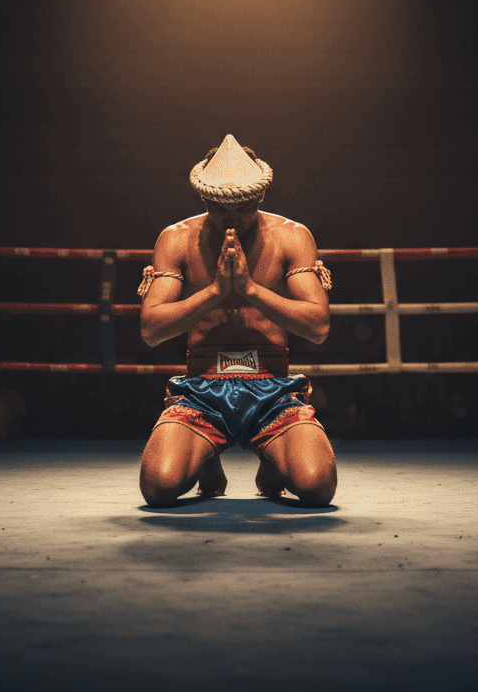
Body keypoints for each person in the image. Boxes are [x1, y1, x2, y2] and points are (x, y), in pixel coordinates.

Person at [138, 134, 336, 507]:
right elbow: (150, 329)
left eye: (243, 208)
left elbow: (318, 326)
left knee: (317, 487)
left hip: (272, 388)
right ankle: (208, 456)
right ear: (204, 198)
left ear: (260, 196)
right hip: (201, 388)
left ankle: (272, 457)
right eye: (220, 210)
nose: (232, 219)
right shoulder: (176, 239)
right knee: (158, 487)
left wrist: (249, 290)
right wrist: (214, 291)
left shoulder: (292, 237)